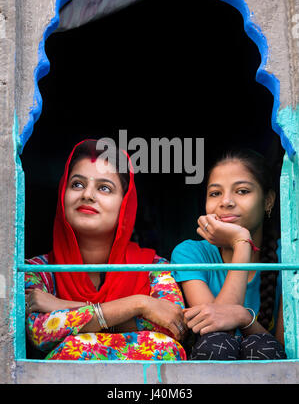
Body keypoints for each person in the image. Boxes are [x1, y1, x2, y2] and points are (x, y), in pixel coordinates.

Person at [25, 139, 187, 361]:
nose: (87, 195)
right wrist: (139, 304)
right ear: (63, 194)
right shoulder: (37, 270)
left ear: (125, 204)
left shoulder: (154, 267)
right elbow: (41, 332)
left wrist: (63, 308)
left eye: (104, 188)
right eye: (77, 184)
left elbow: (172, 325)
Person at [171, 147, 286, 360]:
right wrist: (241, 243)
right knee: (217, 343)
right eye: (215, 193)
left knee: (262, 346)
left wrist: (244, 318)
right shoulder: (189, 254)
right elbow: (216, 334)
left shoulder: (289, 255)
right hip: (211, 365)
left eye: (242, 191)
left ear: (268, 200)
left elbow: (285, 355)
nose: (226, 202)